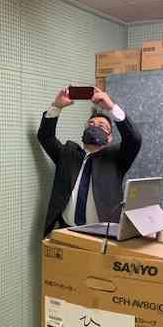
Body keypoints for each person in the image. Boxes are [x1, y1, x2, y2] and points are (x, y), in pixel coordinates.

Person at [37, 86, 142, 237]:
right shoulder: (67, 154)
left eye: (101, 126)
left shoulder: (117, 158)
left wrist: (111, 107)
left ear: (109, 138)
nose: (94, 127)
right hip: (67, 230)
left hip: (103, 235)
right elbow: (45, 136)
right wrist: (56, 107)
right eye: (90, 125)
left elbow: (134, 139)